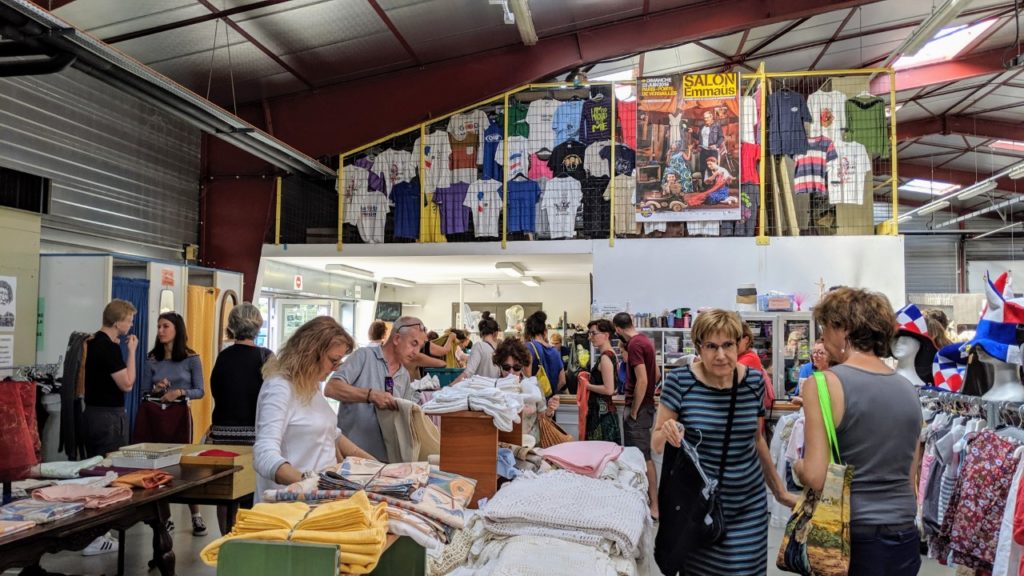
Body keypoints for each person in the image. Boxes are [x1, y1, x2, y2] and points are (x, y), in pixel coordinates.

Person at [652, 309, 795, 575]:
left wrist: (779, 492)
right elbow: (657, 442)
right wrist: (669, 430)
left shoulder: (753, 381)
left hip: (748, 503)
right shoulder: (680, 382)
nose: (720, 355)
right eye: (711, 346)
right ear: (699, 348)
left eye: (728, 345)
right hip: (700, 504)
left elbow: (757, 439)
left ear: (740, 344)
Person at [794, 288, 923, 575]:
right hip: (903, 532)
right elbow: (911, 471)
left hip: (850, 534)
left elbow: (816, 476)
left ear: (844, 329)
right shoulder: (908, 389)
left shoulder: (823, 384)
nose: (823, 336)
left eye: (825, 326)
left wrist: (798, 467)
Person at [254, 317, 372, 502]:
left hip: (320, 497)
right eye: (333, 360)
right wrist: (310, 484)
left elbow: (334, 435)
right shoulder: (279, 388)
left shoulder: (311, 385)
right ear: (310, 352)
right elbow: (264, 454)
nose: (334, 368)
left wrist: (380, 469)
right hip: (292, 504)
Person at [325, 316, 427, 462]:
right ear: (397, 339)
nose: (416, 352)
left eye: (420, 347)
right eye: (413, 343)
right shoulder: (364, 356)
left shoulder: (404, 375)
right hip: (351, 459)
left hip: (385, 463)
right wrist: (369, 395)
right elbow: (331, 388)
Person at [80, 299, 138, 557]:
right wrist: (132, 353)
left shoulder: (92, 342)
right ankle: (98, 535)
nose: (131, 324)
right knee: (107, 473)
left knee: (95, 470)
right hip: (108, 418)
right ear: (118, 322)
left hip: (91, 414)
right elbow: (127, 383)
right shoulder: (109, 348)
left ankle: (94, 532)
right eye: (129, 320)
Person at [141, 311, 206, 536]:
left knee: (184, 464)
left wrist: (179, 391)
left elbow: (200, 391)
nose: (160, 331)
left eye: (165, 326)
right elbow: (144, 390)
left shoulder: (191, 358)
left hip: (179, 415)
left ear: (176, 329)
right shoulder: (152, 359)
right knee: (159, 465)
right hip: (156, 416)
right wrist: (157, 389)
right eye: (158, 326)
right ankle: (164, 517)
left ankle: (196, 515)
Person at [209, 303, 272, 533]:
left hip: (223, 435)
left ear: (232, 326)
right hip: (253, 436)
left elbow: (216, 391)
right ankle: (246, 540)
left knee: (226, 493)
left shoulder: (223, 357)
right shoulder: (265, 357)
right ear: (258, 325)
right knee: (250, 493)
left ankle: (225, 538)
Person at [612, 311, 660, 519]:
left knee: (642, 458)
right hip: (646, 408)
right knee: (640, 457)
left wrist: (633, 410)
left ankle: (654, 506)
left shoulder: (634, 345)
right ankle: (646, 503)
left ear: (618, 329)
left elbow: (643, 380)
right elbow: (656, 374)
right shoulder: (646, 341)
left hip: (639, 410)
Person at [491, 336, 546, 441]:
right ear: (500, 366)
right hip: (503, 444)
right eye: (506, 367)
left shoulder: (533, 386)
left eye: (516, 367)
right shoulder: (493, 388)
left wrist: (551, 409)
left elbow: (543, 415)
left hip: (531, 444)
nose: (511, 372)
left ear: (522, 366)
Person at [585, 320, 621, 443]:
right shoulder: (611, 355)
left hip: (602, 416)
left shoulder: (605, 358)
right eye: (589, 334)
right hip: (604, 412)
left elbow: (609, 389)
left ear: (606, 335)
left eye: (594, 333)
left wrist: (588, 385)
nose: (590, 337)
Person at [524, 311, 564, 415]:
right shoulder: (555, 351)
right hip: (551, 406)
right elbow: (562, 380)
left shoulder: (528, 347)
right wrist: (549, 392)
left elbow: (527, 377)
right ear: (545, 331)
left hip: (534, 407)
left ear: (528, 331)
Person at [453, 311, 501, 383]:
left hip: (480, 391)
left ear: (481, 333)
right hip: (496, 390)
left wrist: (450, 386)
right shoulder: (500, 349)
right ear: (496, 333)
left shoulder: (479, 346)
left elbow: (468, 372)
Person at [736, 321, 774, 411]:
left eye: (736, 339)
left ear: (746, 339)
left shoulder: (750, 358)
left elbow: (728, 376)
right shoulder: (739, 356)